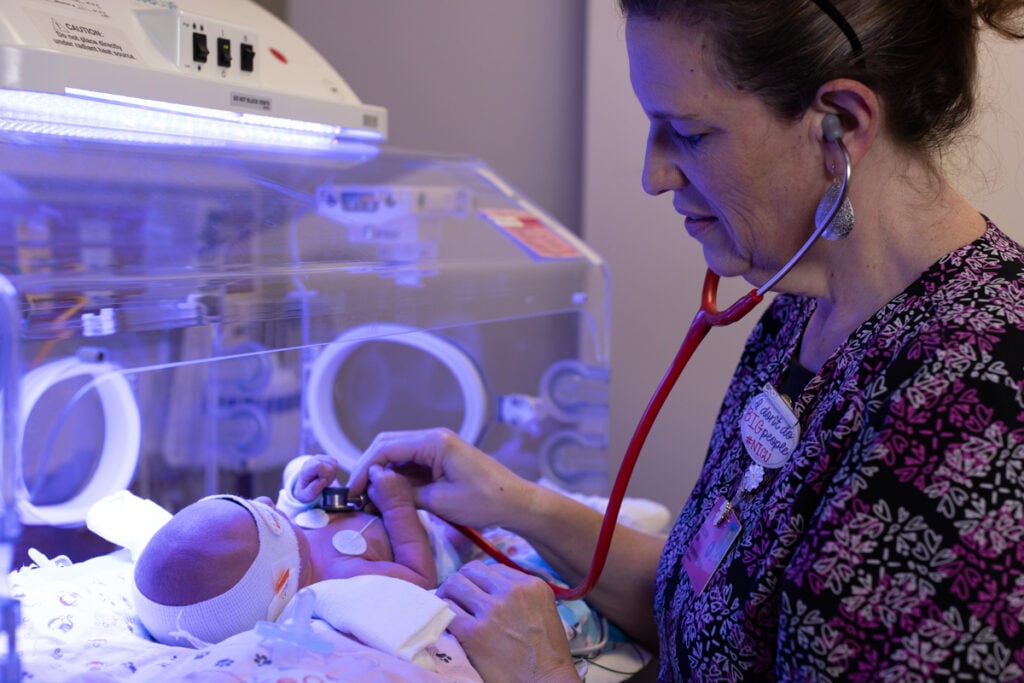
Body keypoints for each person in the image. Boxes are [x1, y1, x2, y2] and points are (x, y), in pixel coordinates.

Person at [346, 1, 1024, 681]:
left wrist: (544, 673)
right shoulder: (801, 308)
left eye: (689, 134)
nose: (654, 175)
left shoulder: (984, 398)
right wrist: (511, 501)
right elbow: (713, 609)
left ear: (840, 125)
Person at [132, 454, 449, 646]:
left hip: (387, 501)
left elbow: (289, 515)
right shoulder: (345, 579)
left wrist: (302, 490)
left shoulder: (289, 552)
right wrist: (397, 505)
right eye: (267, 518)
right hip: (440, 536)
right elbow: (421, 577)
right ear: (280, 581)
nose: (266, 501)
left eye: (250, 505)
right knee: (468, 531)